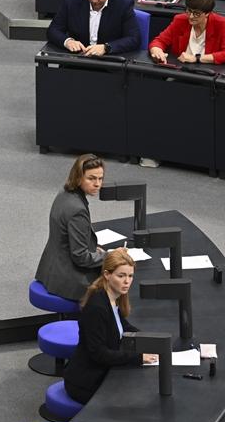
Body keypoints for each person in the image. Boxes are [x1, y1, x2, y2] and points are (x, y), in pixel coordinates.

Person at [62, 247, 159, 406]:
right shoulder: (97, 307)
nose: (127, 281)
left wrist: (149, 340)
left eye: (130, 276)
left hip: (100, 369)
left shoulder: (112, 297)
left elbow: (123, 325)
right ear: (107, 275)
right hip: (85, 381)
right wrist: (138, 358)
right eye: (121, 276)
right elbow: (99, 354)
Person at [34, 154, 108, 302]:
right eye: (91, 178)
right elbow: (81, 257)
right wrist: (109, 256)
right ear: (78, 177)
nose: (97, 184)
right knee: (119, 275)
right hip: (69, 281)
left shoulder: (64, 194)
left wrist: (94, 249)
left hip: (51, 270)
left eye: (100, 179)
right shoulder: (77, 210)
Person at [46, 0, 141, 55]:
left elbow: (134, 38)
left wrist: (106, 47)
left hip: (109, 62)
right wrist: (68, 41)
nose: (94, 0)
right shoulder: (71, 1)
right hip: (77, 60)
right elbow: (53, 30)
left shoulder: (123, 4)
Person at [149, 0, 225, 62]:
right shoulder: (180, 20)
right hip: (181, 70)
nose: (191, 16)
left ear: (207, 13)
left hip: (206, 73)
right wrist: (157, 50)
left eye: (196, 13)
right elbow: (159, 41)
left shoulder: (221, 24)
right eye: (189, 11)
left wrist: (197, 58)